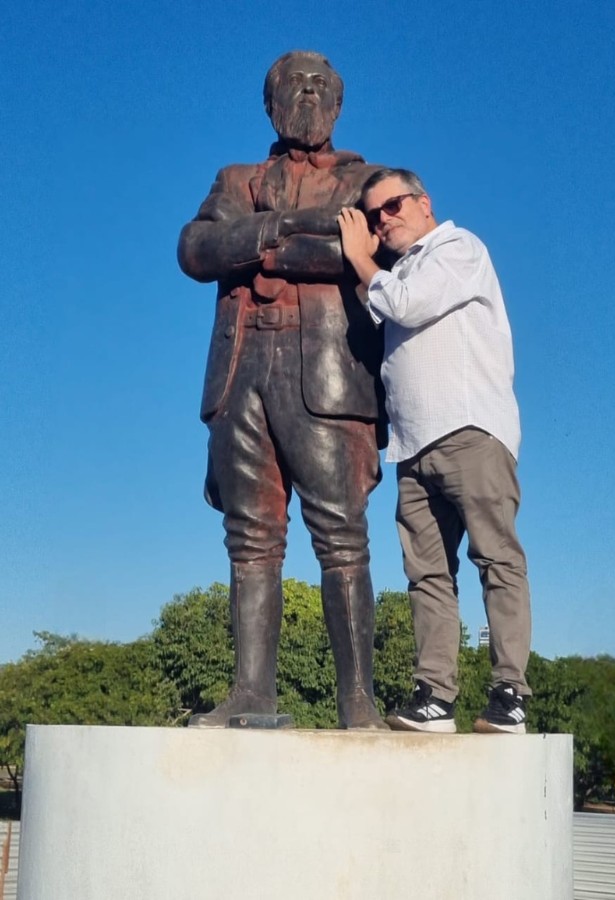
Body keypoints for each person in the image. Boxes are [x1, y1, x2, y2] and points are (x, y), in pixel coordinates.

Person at [177, 51, 388, 730]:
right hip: (240, 372)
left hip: (327, 374)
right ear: (269, 104)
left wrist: (256, 247)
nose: (307, 93)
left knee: (341, 535)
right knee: (250, 538)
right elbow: (195, 250)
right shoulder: (235, 179)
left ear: (338, 105)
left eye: (320, 86)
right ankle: (251, 692)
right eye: (293, 85)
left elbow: (374, 254)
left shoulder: (366, 181)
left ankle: (358, 700)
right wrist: (280, 229)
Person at [337, 168, 532, 735]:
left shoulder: (457, 246)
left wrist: (359, 257)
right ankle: (434, 697)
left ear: (424, 202)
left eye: (392, 206)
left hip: (470, 428)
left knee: (496, 559)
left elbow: (408, 305)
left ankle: (510, 693)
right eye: (372, 216)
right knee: (426, 575)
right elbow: (380, 317)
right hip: (412, 445)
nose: (382, 221)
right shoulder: (393, 272)